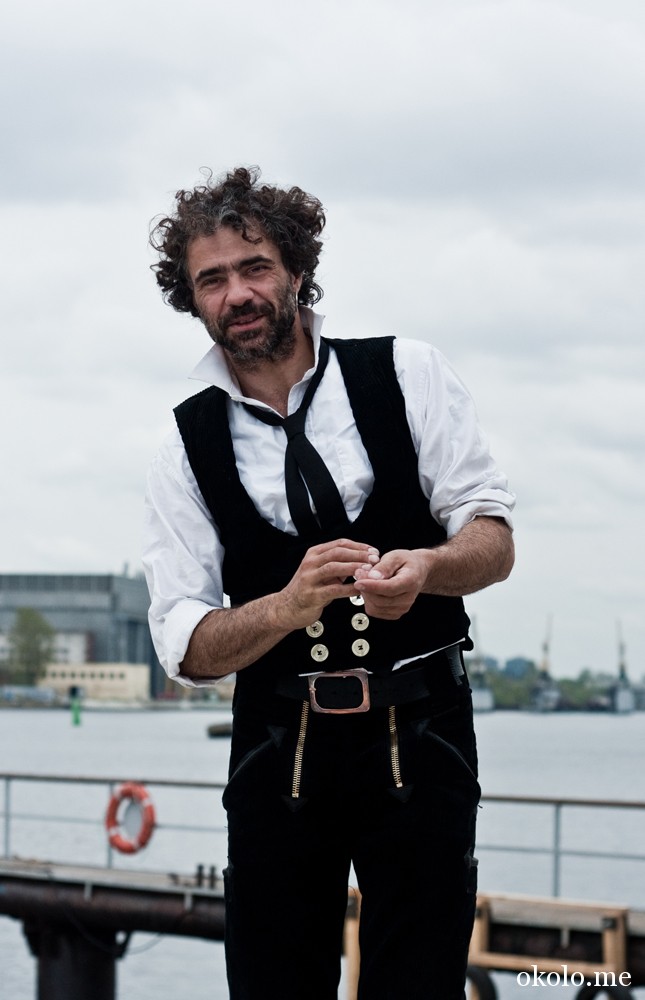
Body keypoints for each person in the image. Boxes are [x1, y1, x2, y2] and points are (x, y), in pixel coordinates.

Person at [143, 166, 515, 1000]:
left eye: (255, 267)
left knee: (417, 986)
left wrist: (428, 568)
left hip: (422, 733)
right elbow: (187, 648)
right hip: (277, 749)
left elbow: (492, 540)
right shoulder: (182, 447)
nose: (238, 293)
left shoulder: (407, 371)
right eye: (212, 279)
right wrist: (284, 607)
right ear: (191, 299)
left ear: (296, 270)